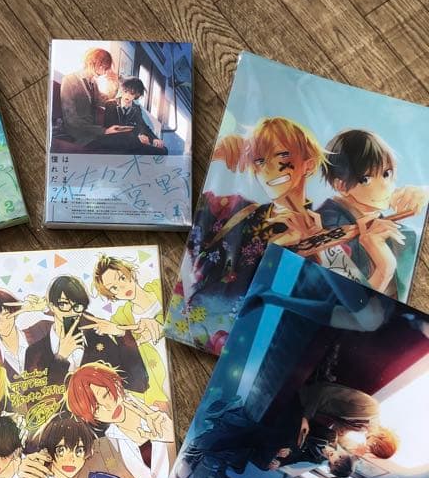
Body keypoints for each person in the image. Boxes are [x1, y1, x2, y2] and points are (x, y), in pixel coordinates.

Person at [172, 117, 326, 353]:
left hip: (248, 347)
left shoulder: (325, 238)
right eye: (260, 160)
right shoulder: (237, 210)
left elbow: (317, 309)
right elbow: (176, 207)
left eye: (282, 156)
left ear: (308, 165)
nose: (268, 169)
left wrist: (299, 249)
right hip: (187, 326)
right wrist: (216, 155)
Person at [316, 129, 428, 297]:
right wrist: (384, 268)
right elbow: (356, 307)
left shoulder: (399, 230)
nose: (385, 186)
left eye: (386, 173)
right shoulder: (321, 229)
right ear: (341, 185)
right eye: (366, 179)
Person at [65, 362, 173, 478]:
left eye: (106, 394)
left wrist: (173, 435)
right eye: (96, 409)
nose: (108, 407)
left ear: (116, 383)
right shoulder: (104, 449)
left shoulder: (165, 409)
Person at [24, 275, 148, 394]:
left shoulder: (98, 340)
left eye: (77, 306)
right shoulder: (35, 352)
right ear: (52, 306)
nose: (70, 312)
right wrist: (61, 358)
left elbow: (139, 384)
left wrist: (122, 334)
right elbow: (35, 401)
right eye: (63, 304)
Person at [93, 255, 167, 408]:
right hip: (156, 379)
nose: (121, 287)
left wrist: (159, 323)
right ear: (111, 294)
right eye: (113, 288)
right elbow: (125, 356)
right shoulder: (120, 317)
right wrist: (120, 332)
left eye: (122, 278)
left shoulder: (159, 286)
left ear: (130, 273)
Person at [0, 288, 48, 383]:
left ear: (14, 312)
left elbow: (65, 326)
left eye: (5, 314)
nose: (1, 322)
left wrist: (45, 308)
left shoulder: (41, 330)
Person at [57, 47, 121, 148]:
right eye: (103, 67)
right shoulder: (69, 80)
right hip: (78, 133)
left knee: (122, 139)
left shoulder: (93, 83)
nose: (104, 72)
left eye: (106, 68)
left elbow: (104, 101)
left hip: (93, 131)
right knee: (117, 144)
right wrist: (103, 131)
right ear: (93, 62)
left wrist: (114, 83)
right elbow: (71, 120)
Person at [96, 77, 168, 155]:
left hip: (131, 143)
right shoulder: (111, 104)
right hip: (115, 141)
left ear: (137, 95)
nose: (127, 95)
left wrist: (154, 139)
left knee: (163, 150)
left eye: (132, 93)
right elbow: (112, 128)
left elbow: (143, 126)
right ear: (122, 90)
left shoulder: (136, 108)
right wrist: (137, 138)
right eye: (125, 91)